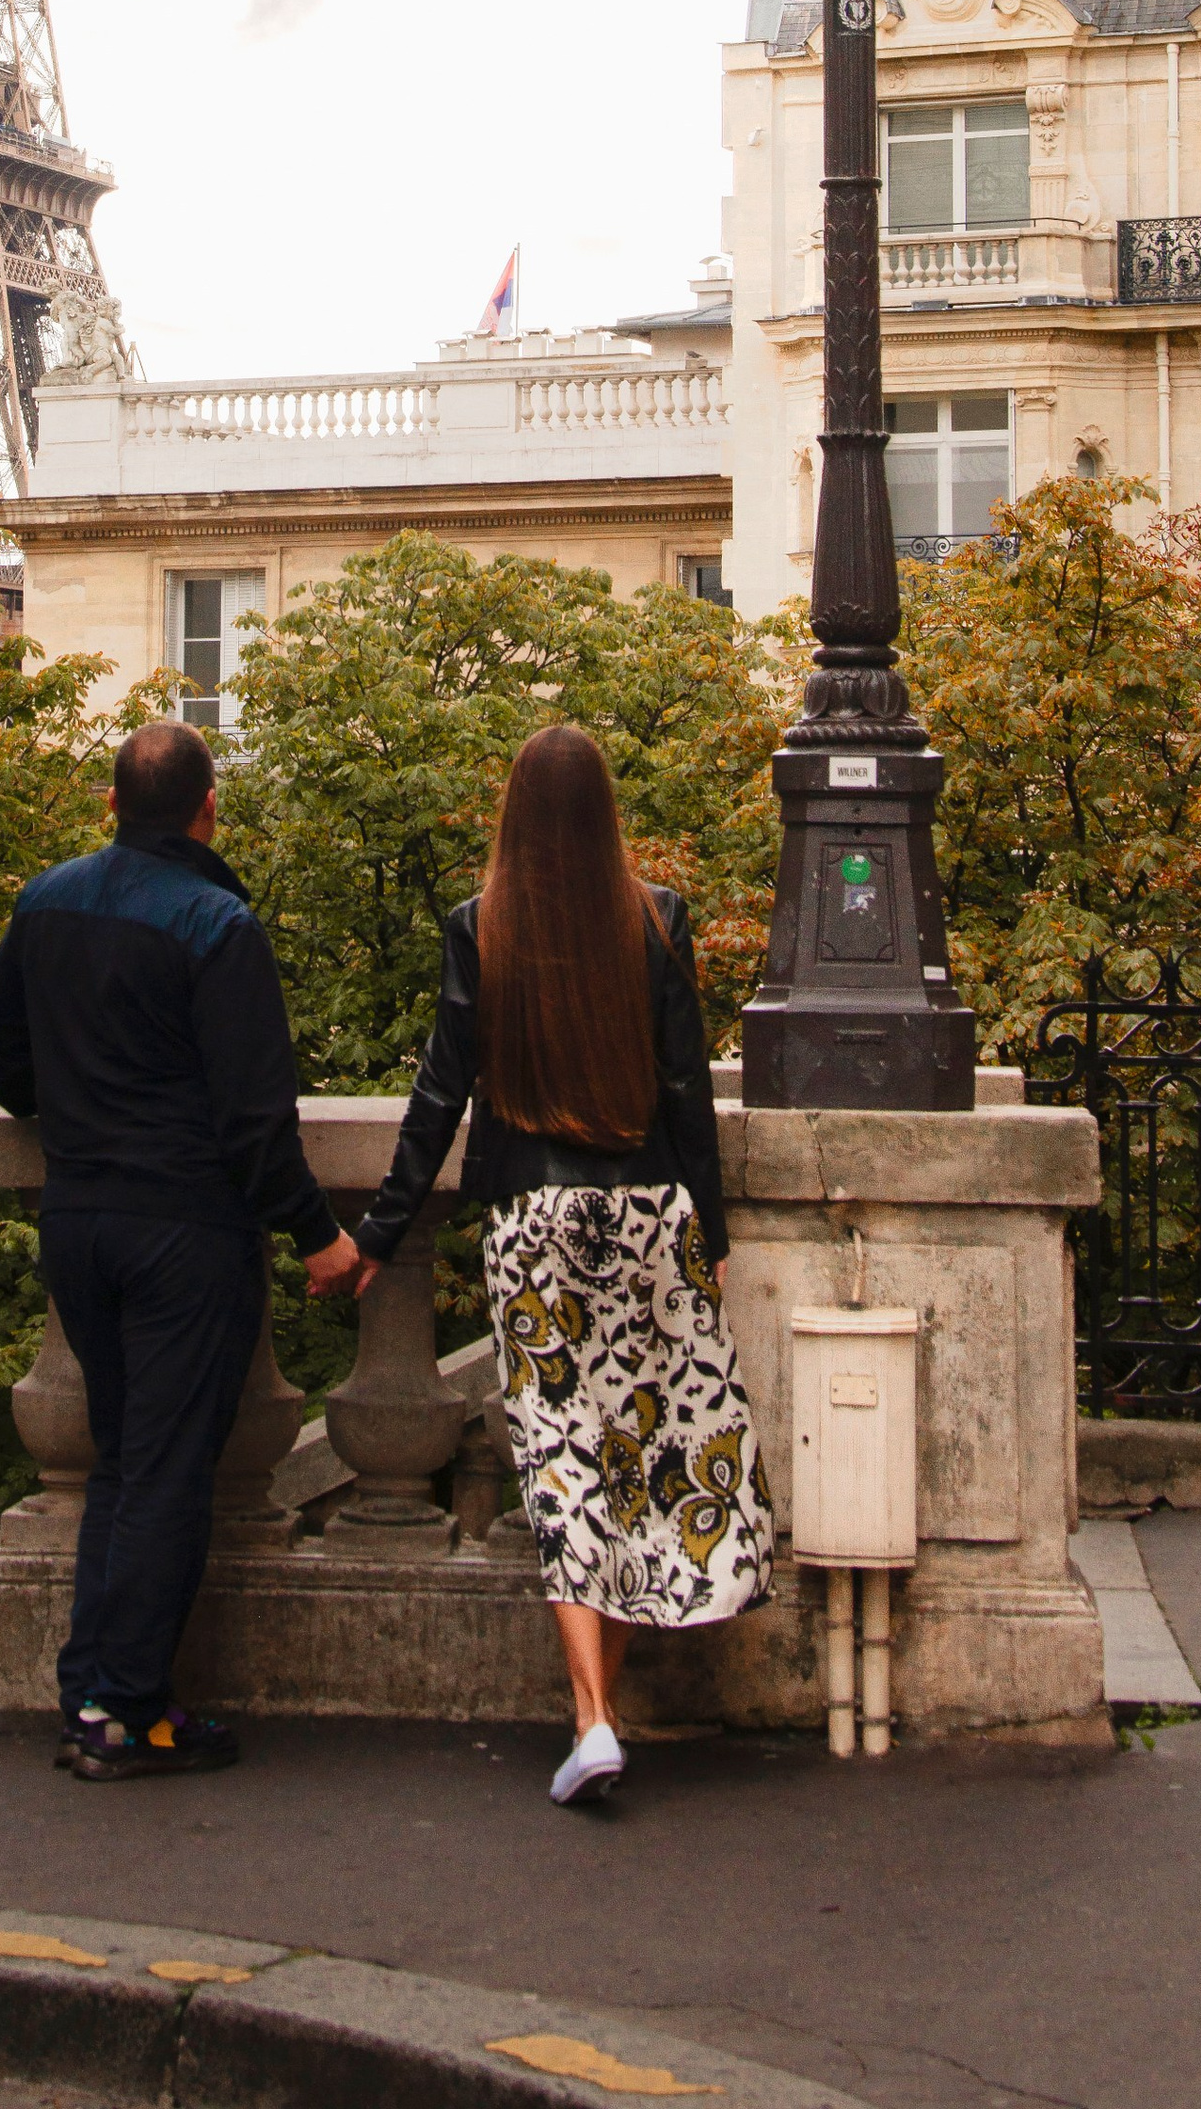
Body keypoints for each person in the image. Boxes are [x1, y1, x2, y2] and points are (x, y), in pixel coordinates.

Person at [348, 722, 772, 1808]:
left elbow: (438, 1097)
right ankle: (598, 1715)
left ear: (512, 814)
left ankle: (591, 1720)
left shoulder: (480, 927)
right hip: (645, 1217)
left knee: (560, 1464)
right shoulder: (655, 918)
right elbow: (688, 1096)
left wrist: (378, 1234)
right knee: (642, 1455)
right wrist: (709, 1240)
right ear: (604, 816)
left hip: (536, 1225)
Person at [0, 716, 361, 1782]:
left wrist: (71, 1108)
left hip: (78, 1220)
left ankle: (93, 1693)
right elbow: (253, 1119)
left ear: (109, 805)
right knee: (164, 1473)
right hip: (183, 1233)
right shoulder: (214, 923)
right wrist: (318, 1234)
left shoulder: (45, 901)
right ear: (207, 809)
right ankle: (126, 1709)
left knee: (122, 1464)